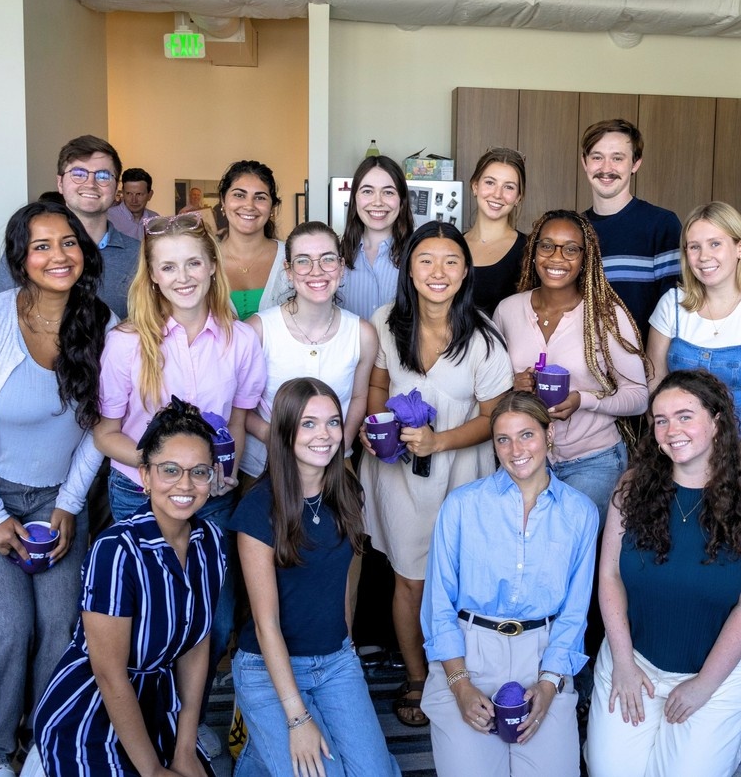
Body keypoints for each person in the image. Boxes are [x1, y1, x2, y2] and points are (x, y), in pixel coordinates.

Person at [93, 211, 266, 752]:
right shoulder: (127, 342)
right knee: (149, 618)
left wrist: (225, 471)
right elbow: (105, 431)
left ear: (214, 267)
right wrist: (161, 467)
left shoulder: (238, 340)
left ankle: (186, 722)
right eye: (168, 266)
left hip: (211, 497)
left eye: (194, 262)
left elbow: (239, 416)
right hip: (140, 494)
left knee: (210, 617)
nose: (183, 275)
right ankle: (142, 723)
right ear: (152, 273)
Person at [585, 369, 741, 777]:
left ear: (716, 421)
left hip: (715, 673)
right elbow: (609, 579)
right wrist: (622, 663)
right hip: (636, 660)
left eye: (685, 416)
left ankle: (724, 738)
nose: (671, 430)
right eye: (660, 419)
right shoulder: (630, 488)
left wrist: (704, 685)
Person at [360, 221, 513, 728]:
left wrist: (439, 441)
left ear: (466, 271)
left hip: (460, 477)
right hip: (398, 472)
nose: (438, 272)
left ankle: (461, 676)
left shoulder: (486, 338)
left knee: (457, 583)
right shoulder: (385, 320)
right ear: (409, 268)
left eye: (451, 261)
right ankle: (417, 675)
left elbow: (496, 419)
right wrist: (375, 426)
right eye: (426, 260)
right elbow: (378, 384)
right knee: (408, 579)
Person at [34, 399, 226, 777]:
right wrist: (153, 772)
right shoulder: (117, 550)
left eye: (199, 472)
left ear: (213, 475)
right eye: (170, 470)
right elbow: (108, 674)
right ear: (145, 475)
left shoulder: (211, 541)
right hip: (90, 712)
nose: (185, 485)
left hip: (158, 705)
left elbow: (195, 645)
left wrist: (185, 750)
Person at [0, 201, 112, 777]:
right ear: (20, 258)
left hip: (60, 501)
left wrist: (68, 504)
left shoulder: (102, 324)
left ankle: (43, 744)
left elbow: (99, 430)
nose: (57, 256)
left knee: (62, 631)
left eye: (67, 243)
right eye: (41, 246)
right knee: (9, 632)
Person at [420, 392, 598, 777]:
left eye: (527, 435)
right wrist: (460, 685)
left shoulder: (580, 512)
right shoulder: (462, 505)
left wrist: (550, 684)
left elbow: (575, 612)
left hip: (543, 657)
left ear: (549, 436)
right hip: (469, 655)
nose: (516, 449)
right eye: (503, 439)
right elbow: (438, 604)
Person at [231, 378, 400, 777]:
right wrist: (296, 718)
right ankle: (263, 746)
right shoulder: (259, 509)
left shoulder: (347, 494)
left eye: (332, 422)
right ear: (286, 430)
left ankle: (264, 751)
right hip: (268, 669)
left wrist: (346, 644)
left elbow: (340, 580)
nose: (324, 435)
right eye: (308, 424)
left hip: (335, 661)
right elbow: (265, 623)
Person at [647, 201, 741, 632]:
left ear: (740, 249)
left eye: (715, 243)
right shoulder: (672, 304)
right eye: (694, 247)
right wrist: (675, 443)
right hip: (680, 442)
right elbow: (655, 381)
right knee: (686, 533)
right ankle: (699, 619)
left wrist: (734, 461)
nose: (704, 256)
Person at [493, 209, 648, 517]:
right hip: (525, 458)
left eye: (571, 249)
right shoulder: (508, 311)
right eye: (547, 245)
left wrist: (584, 400)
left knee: (566, 547)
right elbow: (489, 387)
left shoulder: (606, 315)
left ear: (585, 258)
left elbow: (639, 397)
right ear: (534, 251)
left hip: (594, 460)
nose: (557, 257)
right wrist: (513, 386)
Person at [240, 221, 378, 483]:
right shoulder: (258, 331)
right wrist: (276, 439)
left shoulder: (362, 334)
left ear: (341, 266)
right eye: (303, 261)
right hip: (265, 469)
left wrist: (339, 445)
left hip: (335, 470)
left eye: (327, 259)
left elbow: (359, 396)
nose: (317, 271)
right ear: (289, 271)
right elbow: (240, 405)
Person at [0, 135, 139, 319]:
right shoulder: (26, 248)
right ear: (60, 183)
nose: (90, 184)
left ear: (116, 187)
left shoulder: (139, 254)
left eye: (103, 176)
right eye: (78, 174)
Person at [580, 119, 682, 342]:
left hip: (643, 367)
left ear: (635, 164)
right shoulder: (573, 229)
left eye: (617, 158)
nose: (606, 168)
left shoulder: (662, 224)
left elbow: (674, 310)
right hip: (580, 364)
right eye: (597, 157)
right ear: (584, 162)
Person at [338, 155, 415, 322]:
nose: (378, 202)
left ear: (401, 200)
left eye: (388, 192)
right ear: (354, 199)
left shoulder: (418, 255)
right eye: (367, 191)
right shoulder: (335, 256)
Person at [215, 160, 291, 320]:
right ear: (223, 200)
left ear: (272, 207)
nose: (249, 205)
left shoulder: (292, 258)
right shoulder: (204, 260)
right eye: (239, 195)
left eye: (260, 197)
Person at [464, 147, 528, 315]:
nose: (498, 194)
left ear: (518, 198)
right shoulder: (452, 245)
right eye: (490, 182)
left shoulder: (529, 251)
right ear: (475, 186)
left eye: (509, 187)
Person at [110, 167, 160, 240]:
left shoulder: (155, 220)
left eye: (139, 194)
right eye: (129, 193)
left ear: (150, 195)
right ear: (123, 193)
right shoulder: (108, 218)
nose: (134, 200)